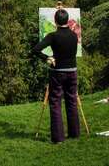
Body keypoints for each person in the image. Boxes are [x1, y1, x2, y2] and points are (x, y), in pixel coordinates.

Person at [33, 9, 80, 144]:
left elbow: (35, 49)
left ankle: (58, 138)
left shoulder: (53, 36)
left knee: (55, 103)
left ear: (55, 21)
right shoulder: (74, 35)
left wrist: (48, 58)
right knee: (72, 101)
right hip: (72, 71)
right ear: (67, 20)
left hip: (58, 72)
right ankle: (74, 133)